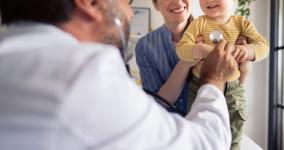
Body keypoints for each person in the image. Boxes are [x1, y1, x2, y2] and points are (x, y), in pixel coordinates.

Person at [0, 0, 239, 149]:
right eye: (127, 2)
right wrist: (213, 78)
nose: (131, 14)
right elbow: (204, 144)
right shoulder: (86, 72)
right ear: (91, 3)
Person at [176, 0, 269, 149]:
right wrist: (200, 50)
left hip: (232, 90)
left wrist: (247, 51)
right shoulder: (199, 23)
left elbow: (263, 46)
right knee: (201, 132)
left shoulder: (241, 24)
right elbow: (181, 49)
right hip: (200, 85)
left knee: (234, 132)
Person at [136, 0, 248, 114]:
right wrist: (187, 60)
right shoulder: (145, 46)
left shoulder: (220, 33)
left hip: (211, 123)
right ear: (155, 4)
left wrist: (243, 63)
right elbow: (157, 104)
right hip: (171, 128)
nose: (178, 2)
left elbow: (233, 90)